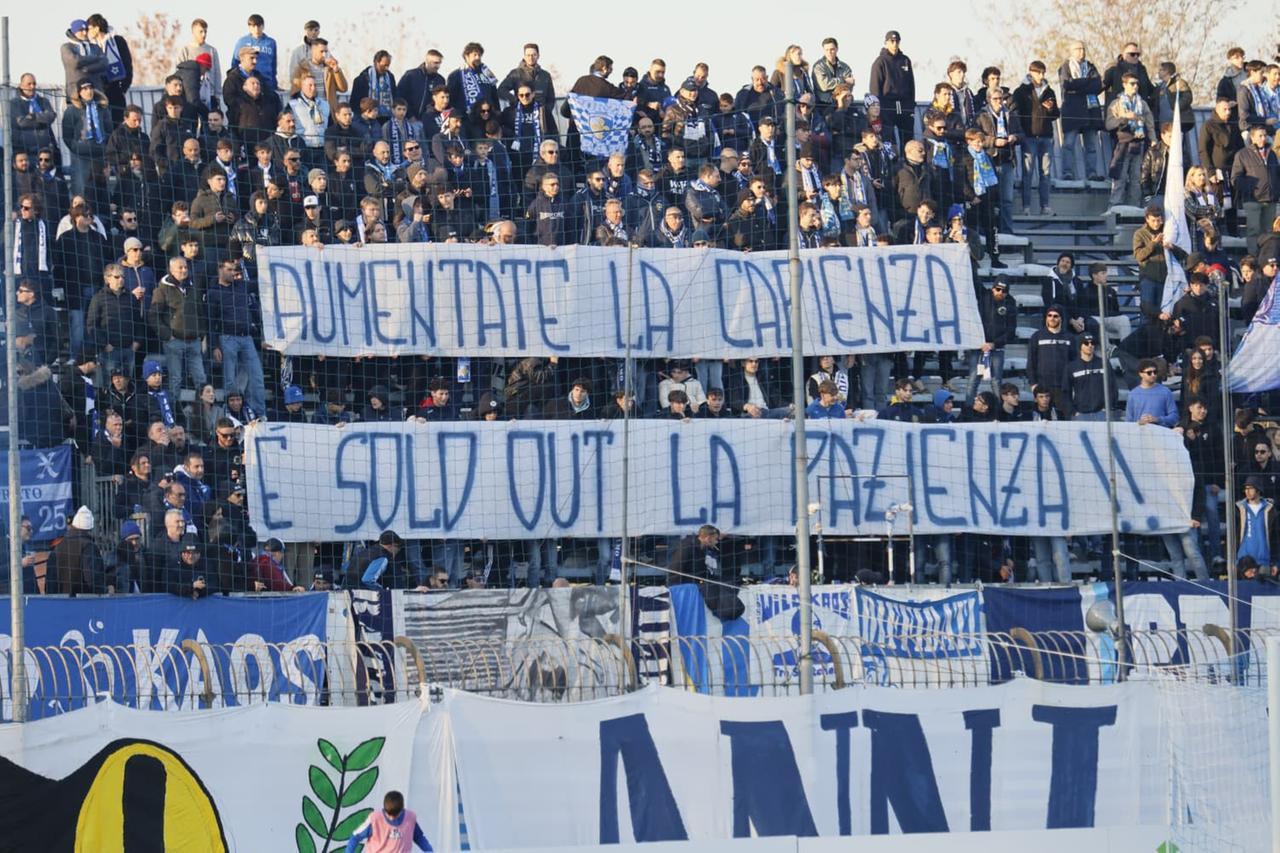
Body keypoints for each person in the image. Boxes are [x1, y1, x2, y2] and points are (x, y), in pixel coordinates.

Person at [1012, 61, 1059, 216]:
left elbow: (1056, 114)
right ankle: (1026, 207)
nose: (1041, 76)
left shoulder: (1049, 91)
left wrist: (1050, 108)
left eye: (1043, 72)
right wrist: (1021, 132)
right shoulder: (1021, 91)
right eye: (1038, 72)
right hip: (1029, 137)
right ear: (1030, 72)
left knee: (1045, 173)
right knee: (1028, 173)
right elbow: (1016, 113)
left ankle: (1045, 206)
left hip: (1046, 137)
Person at [1058, 41, 1104, 182]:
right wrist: (1087, 83)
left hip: (1090, 112)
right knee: (1069, 144)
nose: (1082, 52)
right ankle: (1068, 172)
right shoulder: (1065, 67)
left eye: (1083, 49)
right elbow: (1067, 84)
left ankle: (1092, 173)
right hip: (1072, 111)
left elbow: (1097, 85)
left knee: (1091, 145)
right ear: (1071, 51)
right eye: (1078, 49)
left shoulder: (1090, 66)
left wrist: (1078, 85)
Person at [964, 278, 1016, 401]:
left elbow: (1011, 331)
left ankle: (998, 413)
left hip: (997, 349)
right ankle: (968, 412)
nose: (1000, 293)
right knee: (973, 380)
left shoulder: (1010, 303)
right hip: (978, 347)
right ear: (992, 288)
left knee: (996, 382)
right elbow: (972, 279)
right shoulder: (983, 296)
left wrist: (994, 344)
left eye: (1004, 291)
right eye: (998, 289)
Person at [868, 31, 915, 148]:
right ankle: (891, 164)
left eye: (897, 41)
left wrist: (911, 106)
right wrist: (877, 108)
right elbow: (875, 88)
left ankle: (908, 164)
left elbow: (911, 84)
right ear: (886, 43)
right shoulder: (880, 62)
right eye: (892, 41)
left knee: (908, 139)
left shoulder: (905, 60)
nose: (894, 44)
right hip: (887, 106)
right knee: (889, 140)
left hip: (905, 106)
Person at [45, 506, 104, 595]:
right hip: (83, 602)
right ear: (90, 529)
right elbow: (92, 578)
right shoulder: (88, 546)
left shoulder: (58, 547)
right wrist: (104, 590)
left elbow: (50, 581)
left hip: (60, 602)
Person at [346, 791, 432, 852]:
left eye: (395, 815)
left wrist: (428, 850)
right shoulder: (375, 819)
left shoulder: (410, 818)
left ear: (402, 809)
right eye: (388, 814)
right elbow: (355, 836)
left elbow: (418, 837)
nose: (391, 818)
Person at [1125, 358, 1178, 426]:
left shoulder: (1165, 392)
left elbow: (1174, 417)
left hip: (1160, 433)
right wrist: (1138, 423)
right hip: (1139, 433)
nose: (1153, 375)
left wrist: (1157, 419)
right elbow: (1129, 420)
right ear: (1141, 374)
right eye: (1149, 373)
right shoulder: (1133, 394)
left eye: (1155, 372)